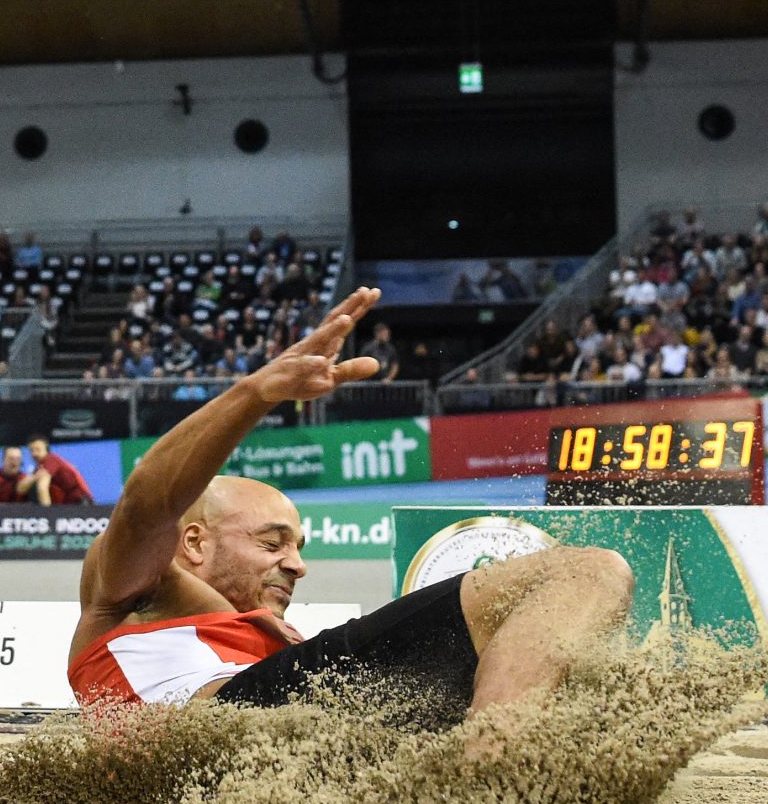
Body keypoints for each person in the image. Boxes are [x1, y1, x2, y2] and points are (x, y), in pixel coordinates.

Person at [67, 287, 635, 716]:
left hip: (309, 742)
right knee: (586, 573)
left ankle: (494, 770)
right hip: (235, 722)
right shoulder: (135, 596)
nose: (298, 564)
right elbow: (149, 503)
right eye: (272, 542)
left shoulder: (261, 635)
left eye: (296, 546)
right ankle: (492, 789)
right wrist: (256, 392)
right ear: (194, 542)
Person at [24, 436, 93, 505]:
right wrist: (34, 477)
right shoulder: (39, 467)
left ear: (46, 450)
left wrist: (47, 513)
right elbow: (21, 488)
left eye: (38, 449)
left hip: (81, 502)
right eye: (31, 450)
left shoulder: (50, 460)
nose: (34, 453)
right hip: (68, 504)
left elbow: (42, 488)